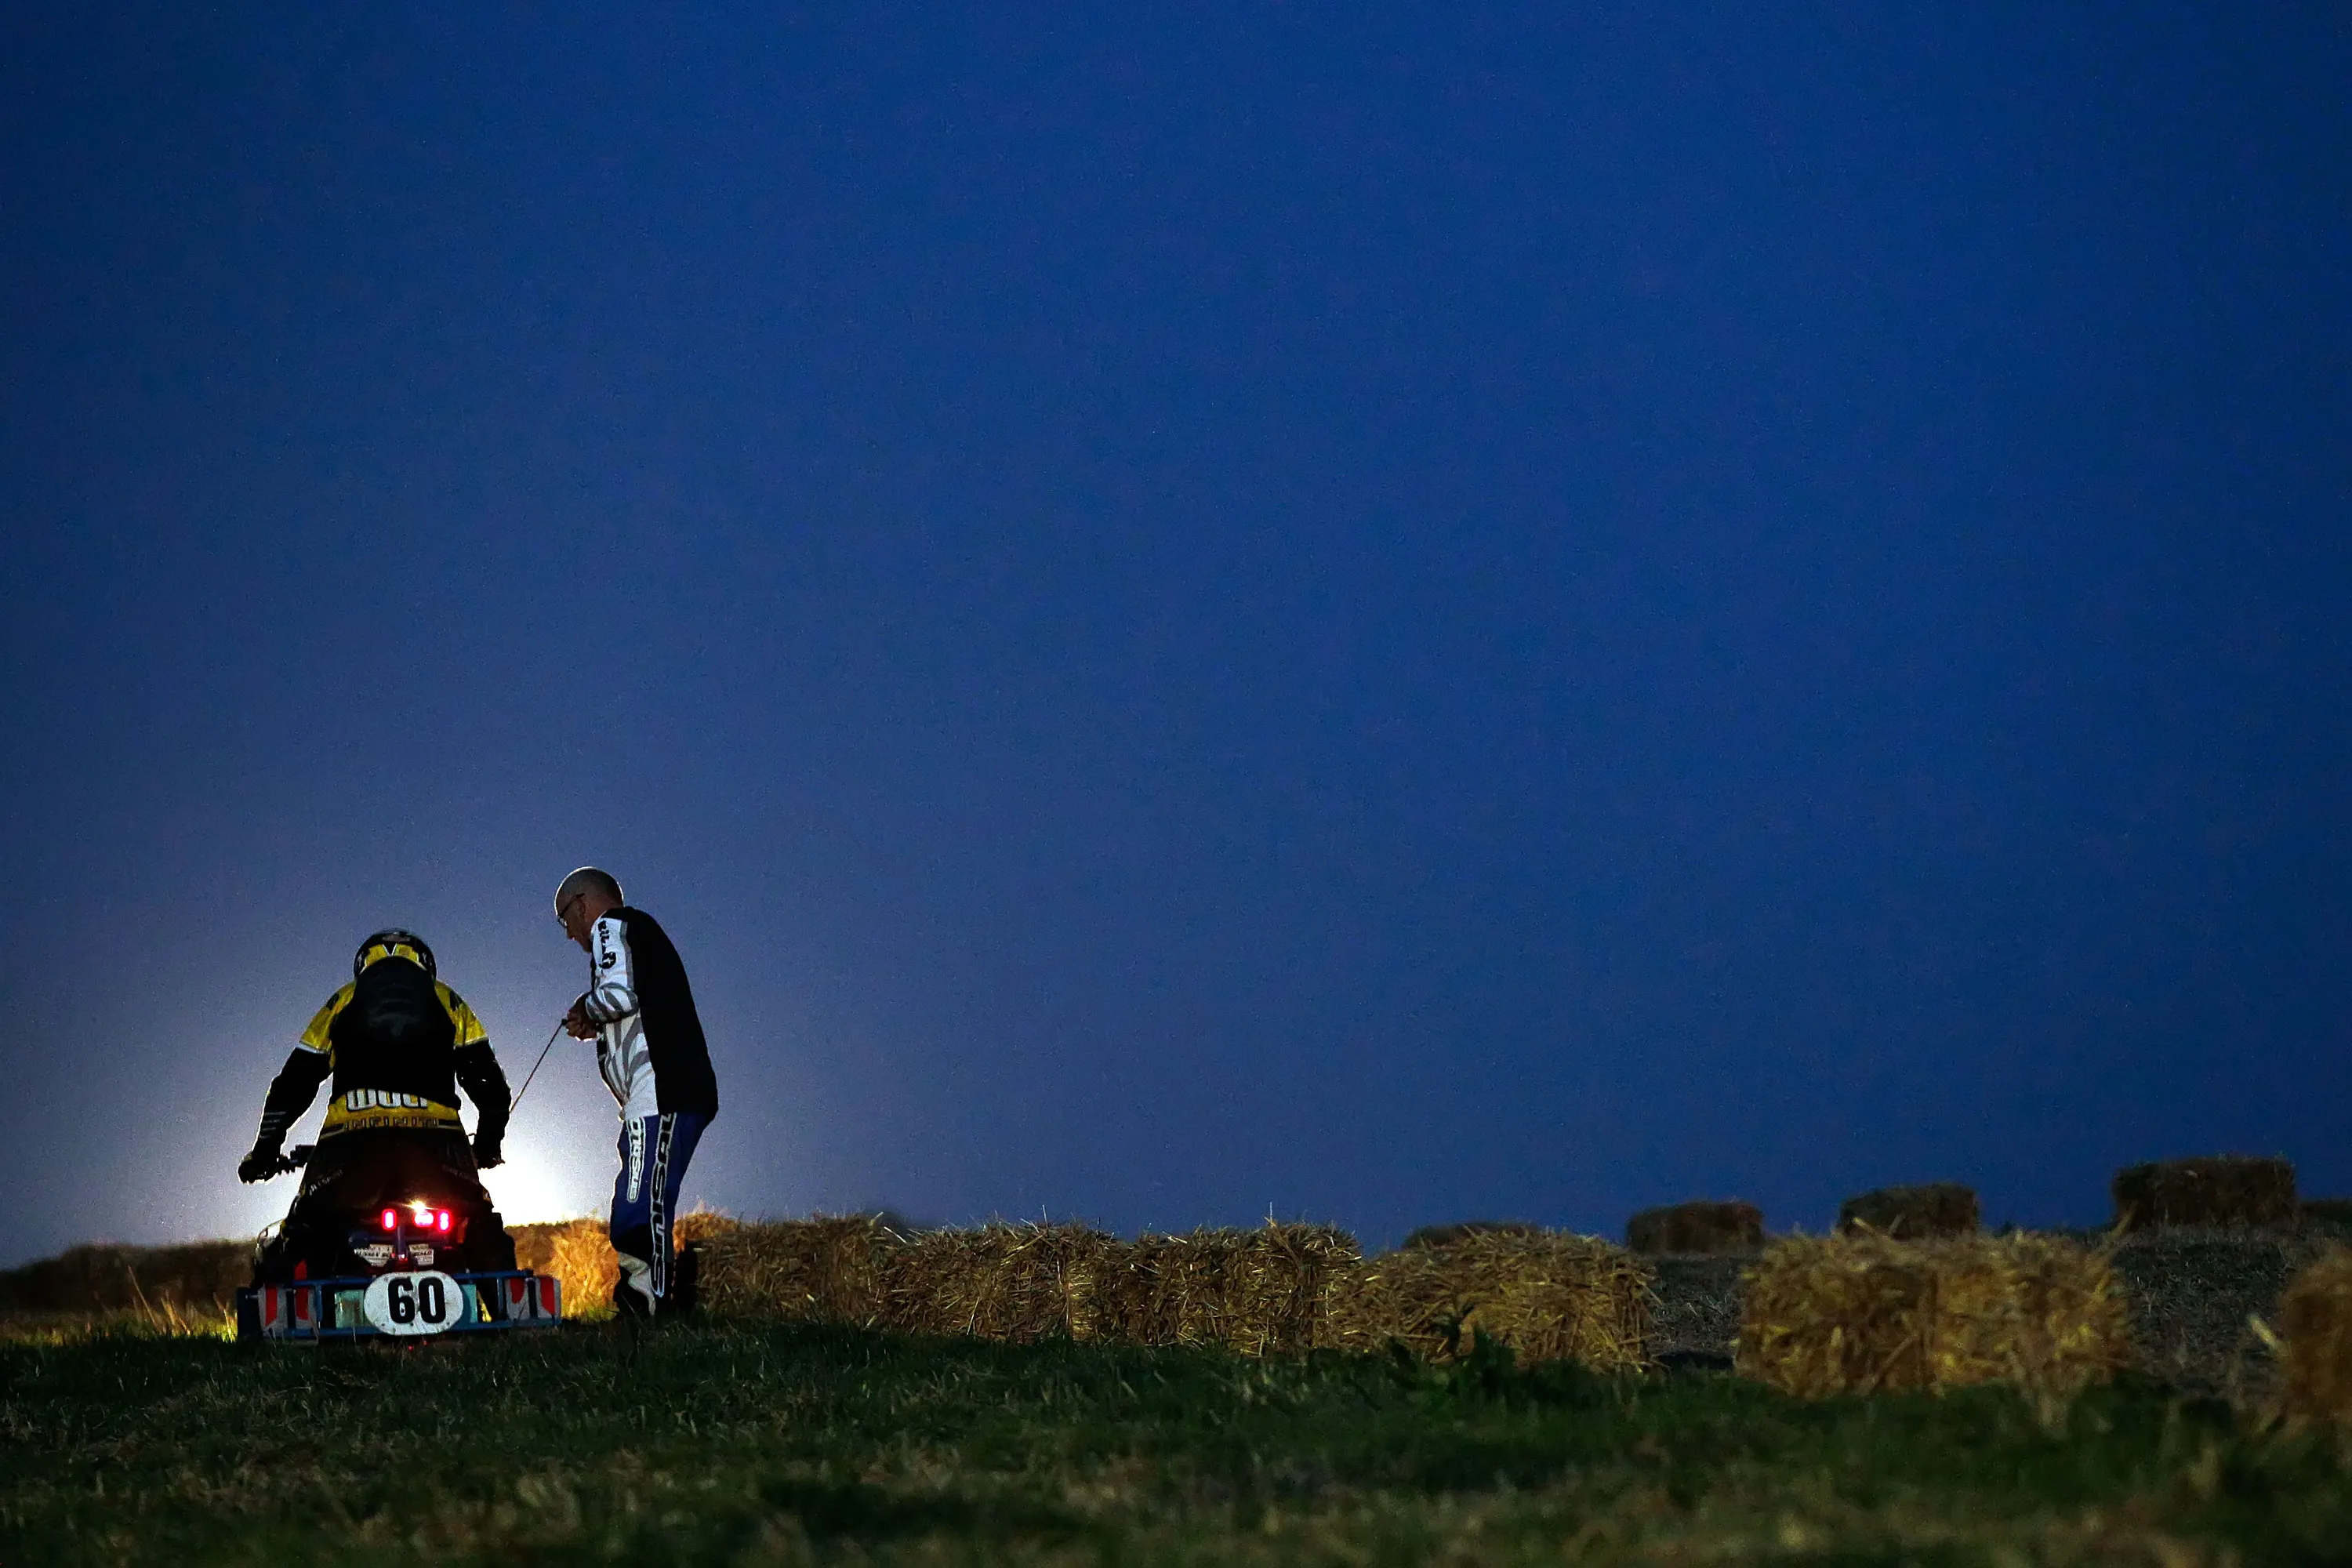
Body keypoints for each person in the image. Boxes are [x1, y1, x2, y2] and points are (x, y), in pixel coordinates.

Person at [238, 929, 514, 1277]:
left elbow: (293, 1084)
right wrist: (487, 1147)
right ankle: (514, 1302)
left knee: (307, 1229)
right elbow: (492, 1089)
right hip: (441, 1148)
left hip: (348, 1148)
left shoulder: (343, 1000)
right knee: (477, 1224)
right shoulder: (450, 1001)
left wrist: (264, 1152)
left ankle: (293, 1307)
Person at [554, 866, 720, 1317]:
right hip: (658, 1093)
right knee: (639, 1194)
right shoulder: (637, 936)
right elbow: (637, 1003)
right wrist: (596, 1024)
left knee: (639, 1201)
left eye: (565, 919)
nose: (569, 934)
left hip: (661, 1090)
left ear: (583, 904)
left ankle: (647, 1305)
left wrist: (585, 1008)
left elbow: (619, 994)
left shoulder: (611, 926)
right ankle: (643, 1300)